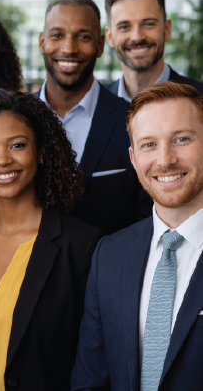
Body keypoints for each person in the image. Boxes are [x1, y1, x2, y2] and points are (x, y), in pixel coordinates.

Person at [0, 88, 104, 390]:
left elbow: (89, 359)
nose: (2, 160)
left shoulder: (82, 246)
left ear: (41, 151)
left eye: (17, 145)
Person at [71, 81, 203, 391]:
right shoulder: (109, 255)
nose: (165, 159)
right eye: (149, 144)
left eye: (181, 139)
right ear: (133, 158)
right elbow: (91, 379)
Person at [33, 0, 152, 234]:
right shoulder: (15, 118)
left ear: (99, 45)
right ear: (41, 42)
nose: (69, 48)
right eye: (57, 35)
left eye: (83, 37)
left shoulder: (134, 120)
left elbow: (146, 222)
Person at [105, 0, 203, 101]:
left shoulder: (199, 98)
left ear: (167, 30)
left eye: (148, 24)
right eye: (124, 27)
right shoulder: (97, 103)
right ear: (110, 37)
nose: (137, 37)